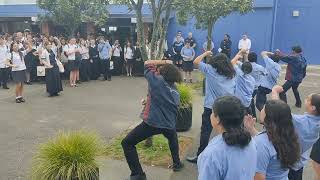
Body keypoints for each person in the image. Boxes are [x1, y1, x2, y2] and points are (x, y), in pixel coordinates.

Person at [121, 60, 184, 180]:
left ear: (163, 73)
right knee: (172, 138)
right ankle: (177, 163)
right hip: (169, 123)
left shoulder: (158, 81)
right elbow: (163, 99)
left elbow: (147, 63)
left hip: (153, 123)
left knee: (127, 143)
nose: (158, 70)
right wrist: (148, 100)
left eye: (160, 69)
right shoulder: (174, 90)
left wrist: (164, 61)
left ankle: (138, 175)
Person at [187, 51, 236, 163]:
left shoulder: (210, 70)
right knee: (227, 130)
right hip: (227, 105)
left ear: (215, 62)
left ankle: (200, 156)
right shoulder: (231, 72)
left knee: (206, 131)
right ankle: (229, 155)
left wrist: (206, 53)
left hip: (211, 107)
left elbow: (196, 61)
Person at [198, 96, 257, 180]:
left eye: (212, 112)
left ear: (218, 119)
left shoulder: (213, 153)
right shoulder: (250, 142)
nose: (211, 115)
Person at [244, 98, 300, 180]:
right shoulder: (287, 134)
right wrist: (251, 129)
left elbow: (258, 177)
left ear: (268, 116)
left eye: (263, 108)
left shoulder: (260, 143)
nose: (261, 109)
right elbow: (270, 144)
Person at [272, 86, 320, 180]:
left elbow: (278, 111)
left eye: (308, 99)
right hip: (300, 162)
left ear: (313, 107)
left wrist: (275, 92)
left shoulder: (300, 121)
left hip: (289, 161)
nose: (305, 99)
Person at [231, 50, 255, 114]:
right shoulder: (252, 79)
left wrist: (239, 53)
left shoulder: (240, 75)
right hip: (247, 102)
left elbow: (232, 62)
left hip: (239, 102)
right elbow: (245, 65)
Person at [248, 52, 267, 117]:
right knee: (260, 103)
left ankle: (253, 116)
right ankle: (265, 114)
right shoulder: (260, 67)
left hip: (249, 87)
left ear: (248, 58)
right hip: (258, 87)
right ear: (256, 59)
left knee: (251, 101)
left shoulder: (246, 66)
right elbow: (266, 74)